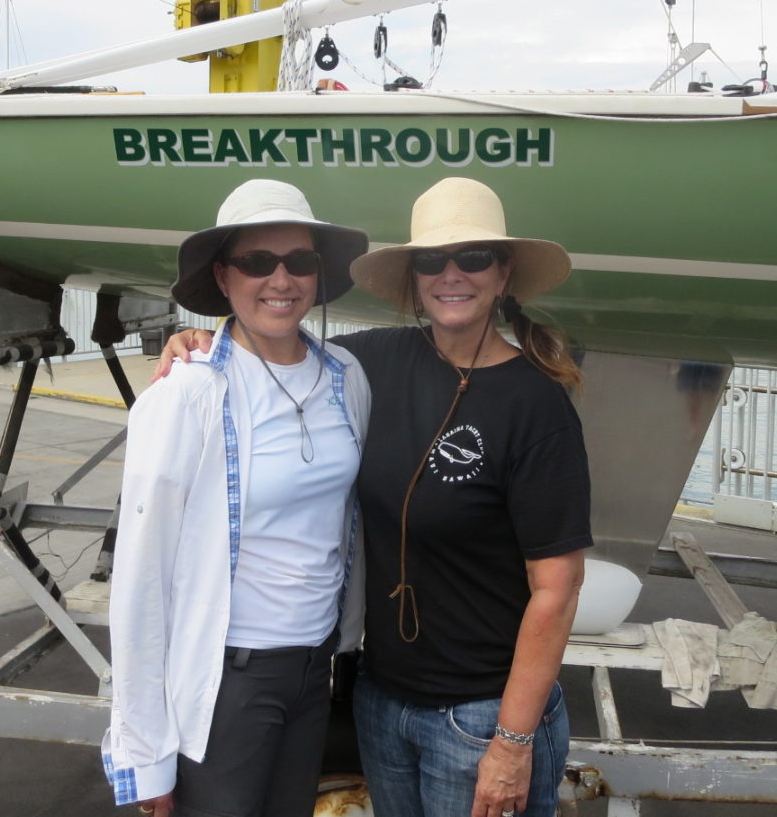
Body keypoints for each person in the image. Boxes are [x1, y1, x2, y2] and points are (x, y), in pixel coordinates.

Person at [161, 177, 591, 817]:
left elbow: (557, 589)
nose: (452, 274)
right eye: (431, 260)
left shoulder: (535, 405)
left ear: (503, 275)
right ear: (414, 277)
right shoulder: (373, 363)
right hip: (382, 700)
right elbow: (275, 343)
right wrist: (201, 341)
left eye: (473, 258)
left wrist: (512, 743)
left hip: (480, 714)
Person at [103, 179, 371, 817]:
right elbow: (141, 577)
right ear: (223, 277)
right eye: (257, 262)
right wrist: (144, 756)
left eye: (300, 262)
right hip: (228, 679)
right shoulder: (187, 393)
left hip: (314, 669)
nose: (280, 279)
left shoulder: (347, 378)